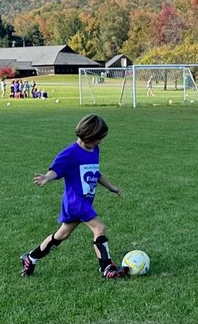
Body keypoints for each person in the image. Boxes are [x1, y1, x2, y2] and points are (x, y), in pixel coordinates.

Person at [19, 114, 129, 279]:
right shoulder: (70, 153)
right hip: (76, 202)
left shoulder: (94, 150)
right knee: (99, 228)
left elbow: (95, 173)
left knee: (62, 235)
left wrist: (111, 187)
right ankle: (107, 268)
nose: (101, 142)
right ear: (89, 136)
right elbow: (56, 168)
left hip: (83, 202)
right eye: (99, 138)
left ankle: (31, 258)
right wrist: (47, 177)